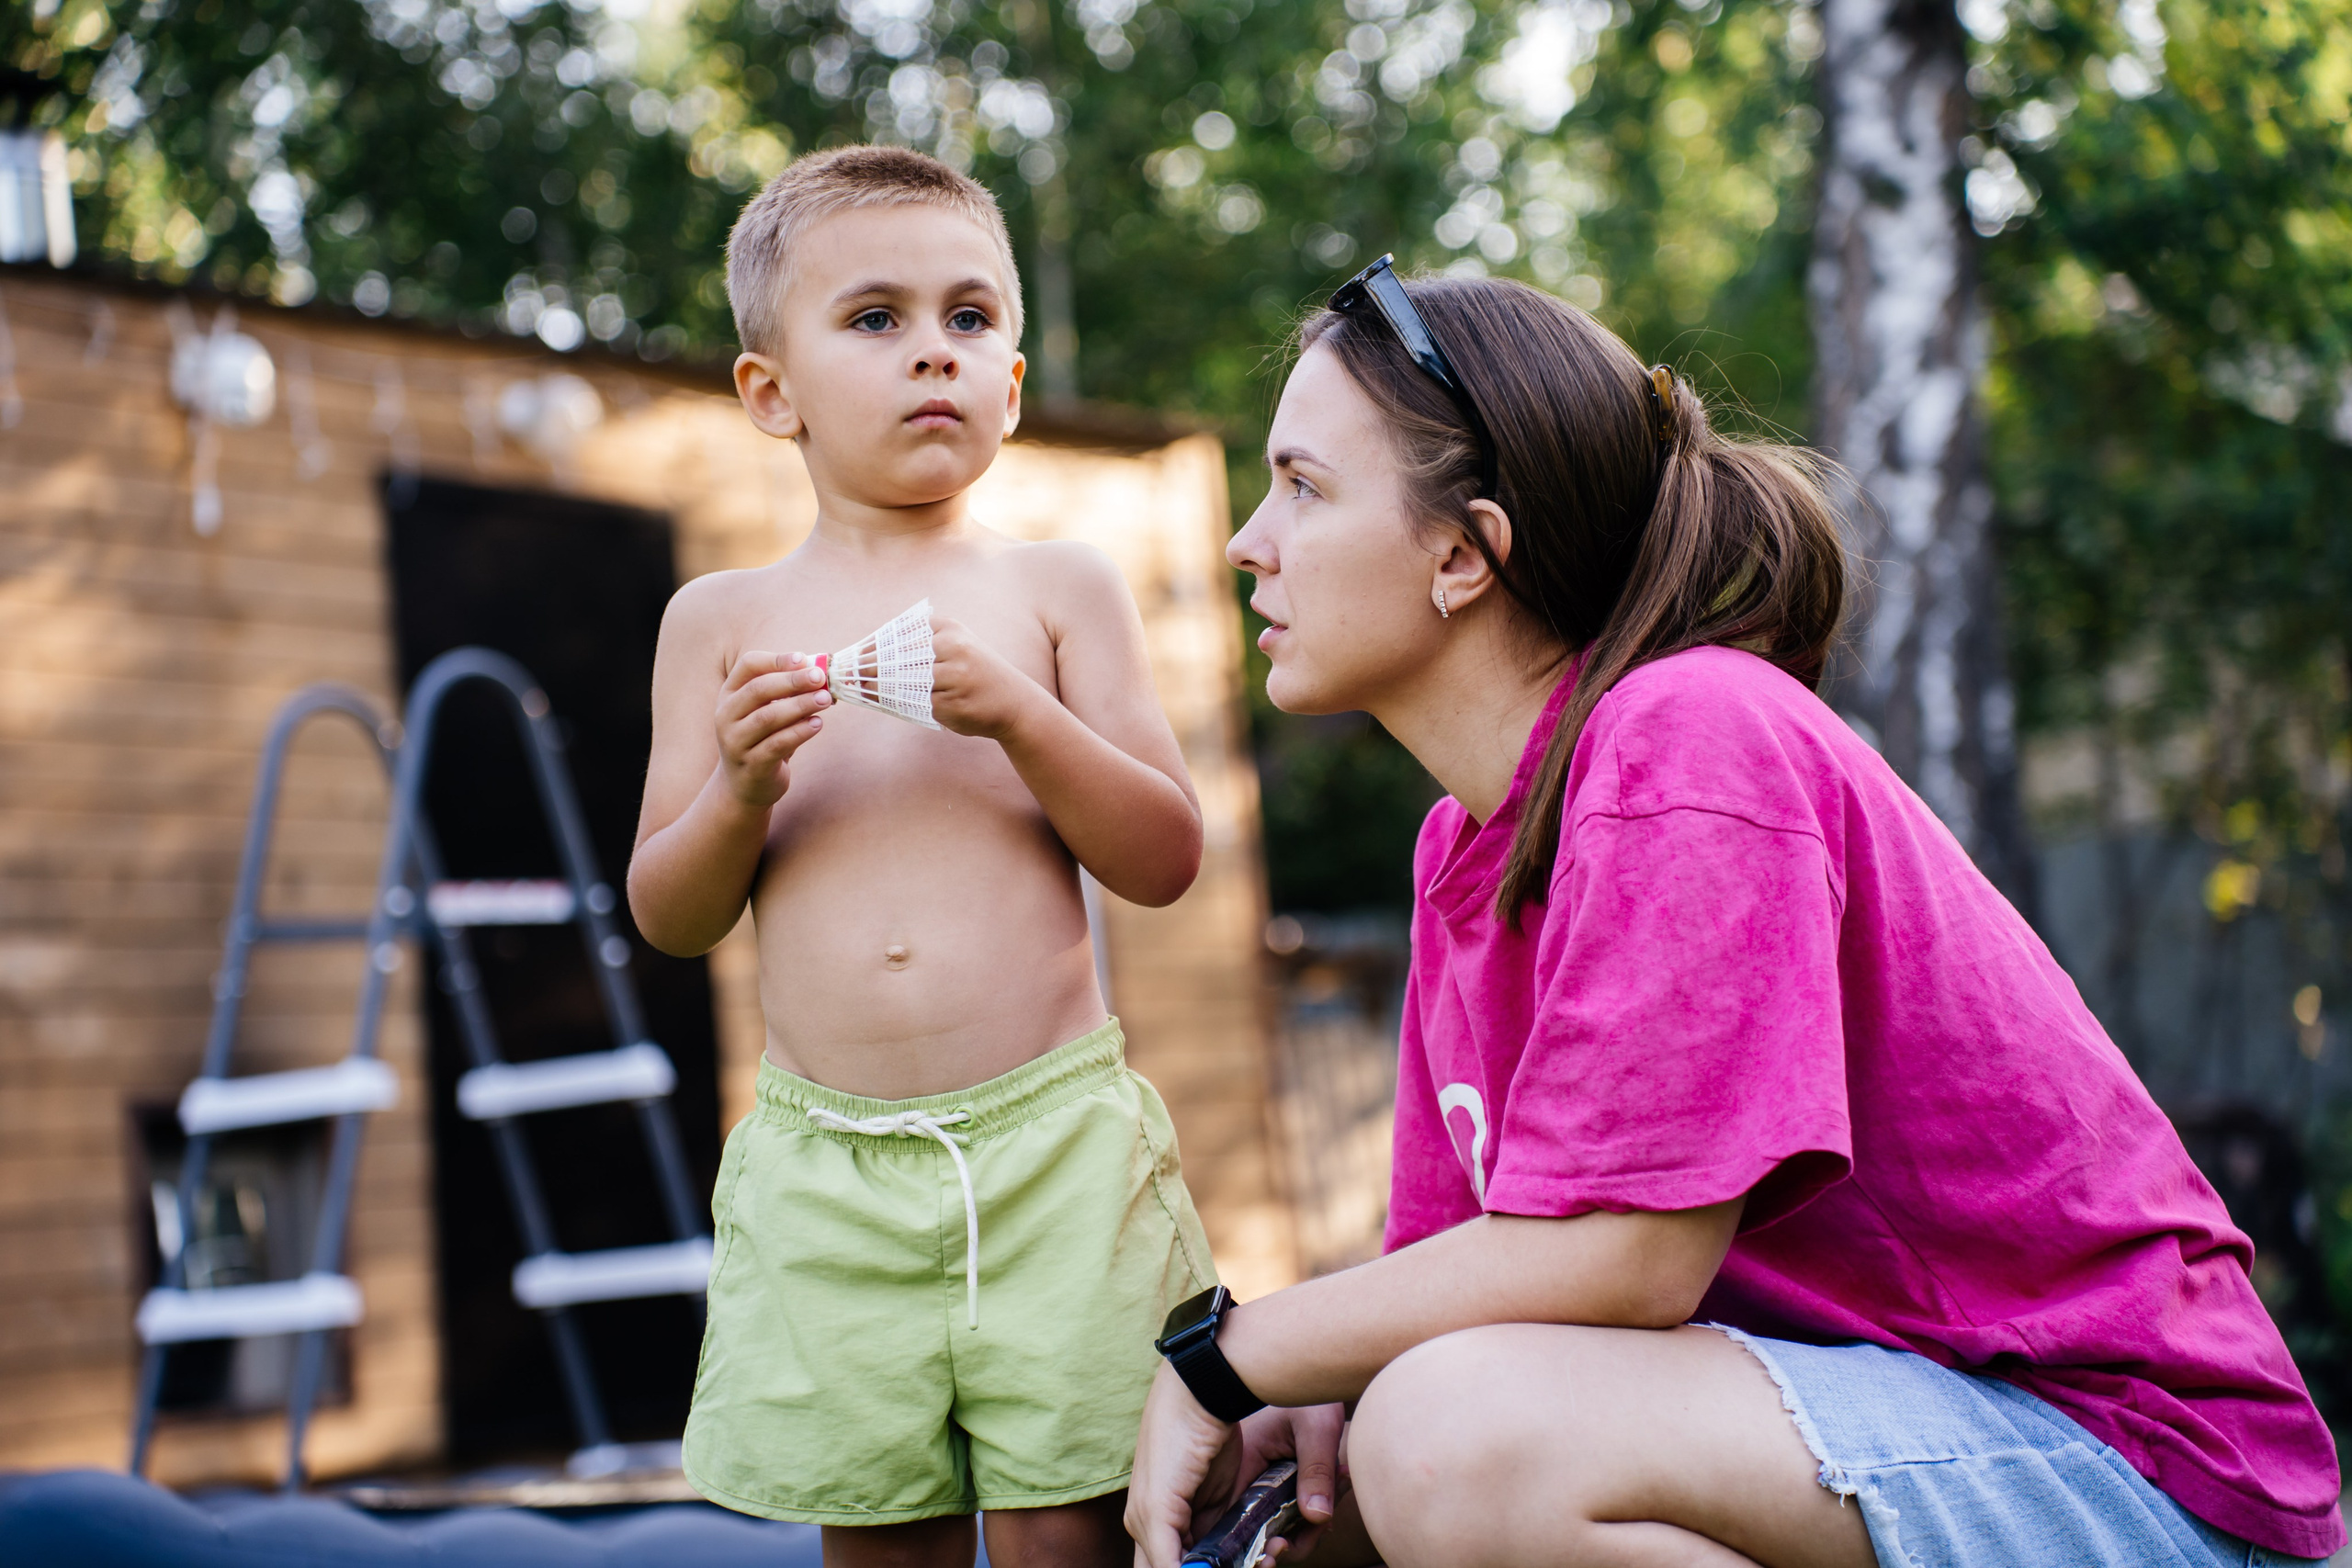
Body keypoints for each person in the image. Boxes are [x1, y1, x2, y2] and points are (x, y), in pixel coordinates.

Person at [1125, 258, 2345, 1568]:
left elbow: (1626, 1260)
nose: (1249, 540)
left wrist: (1230, 1354)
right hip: (1878, 1442)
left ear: (1464, 552)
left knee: (1450, 1440)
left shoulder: (1691, 738)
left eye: (1302, 487)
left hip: (2134, 1464)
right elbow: (1469, 1279)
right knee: (1345, 1480)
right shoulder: (1460, 856)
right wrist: (1313, 1394)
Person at [629, 144, 1215, 1568]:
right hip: (832, 1173)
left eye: (970, 319)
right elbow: (668, 910)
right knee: (880, 1539)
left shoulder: (1057, 588)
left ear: (1012, 384)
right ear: (773, 394)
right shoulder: (718, 624)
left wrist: (1021, 714)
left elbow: (1166, 856)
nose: (934, 355)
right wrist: (742, 785)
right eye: (876, 320)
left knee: (1065, 1533)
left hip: (1053, 1155)